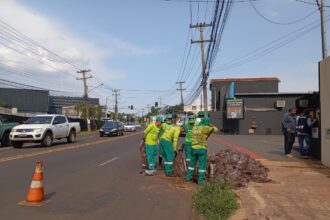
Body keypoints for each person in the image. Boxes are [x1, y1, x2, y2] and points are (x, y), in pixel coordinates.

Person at [185, 117, 218, 184]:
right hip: (201, 149)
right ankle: (201, 181)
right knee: (202, 165)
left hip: (193, 148)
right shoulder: (205, 128)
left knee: (192, 164)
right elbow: (216, 129)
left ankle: (188, 177)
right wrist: (211, 125)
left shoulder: (195, 127)